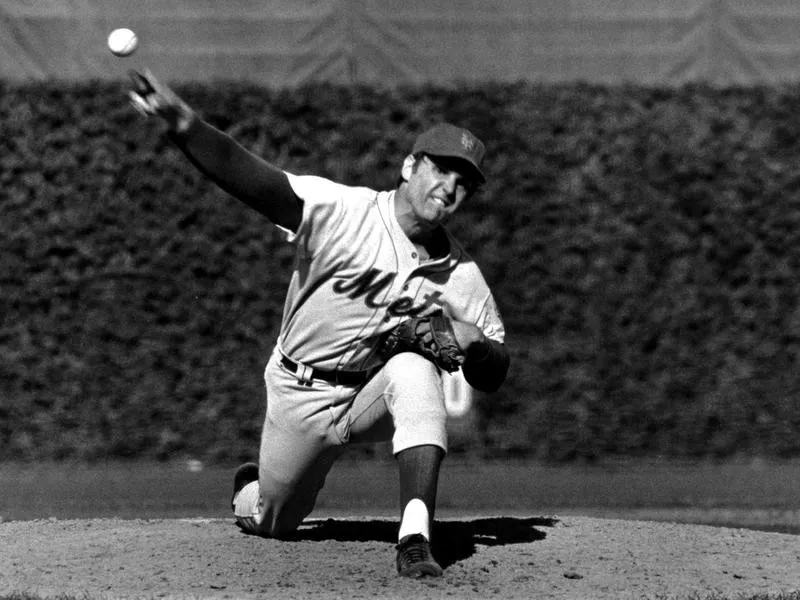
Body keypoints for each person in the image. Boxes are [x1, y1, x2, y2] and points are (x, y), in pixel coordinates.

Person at [128, 70, 510, 578]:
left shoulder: (462, 276)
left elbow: (496, 371)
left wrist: (478, 345)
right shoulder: (343, 211)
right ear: (409, 166)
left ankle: (415, 537)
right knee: (274, 520)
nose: (449, 188)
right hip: (301, 392)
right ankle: (252, 488)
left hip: (370, 395)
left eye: (464, 183)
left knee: (415, 369)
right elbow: (253, 179)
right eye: (441, 170)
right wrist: (183, 123)